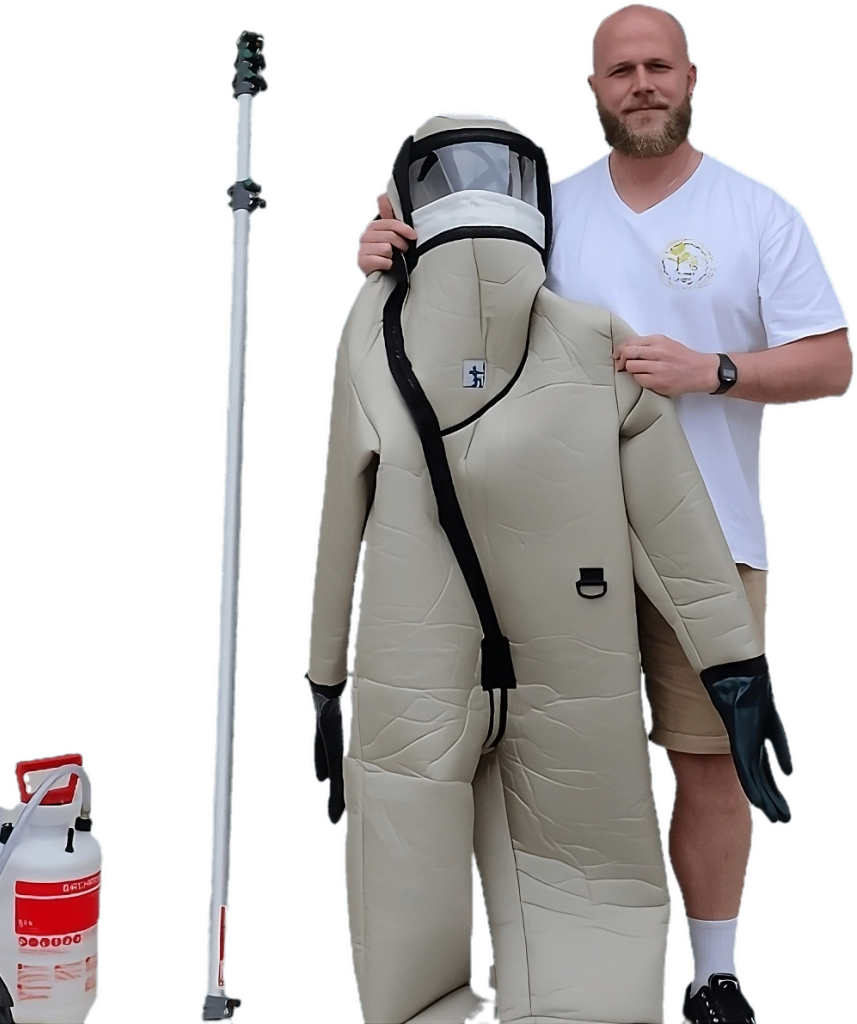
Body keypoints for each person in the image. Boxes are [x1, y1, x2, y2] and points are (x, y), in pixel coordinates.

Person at [351, 4, 853, 1023]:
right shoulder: (546, 213)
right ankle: (562, 981)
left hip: (709, 541)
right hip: (547, 546)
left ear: (691, 80)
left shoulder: (757, 215)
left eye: (658, 66)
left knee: (708, 765)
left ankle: (712, 975)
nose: (641, 84)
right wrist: (389, 248)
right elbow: (455, 329)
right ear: (592, 91)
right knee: (547, 767)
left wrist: (712, 370)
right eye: (619, 71)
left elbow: (831, 363)